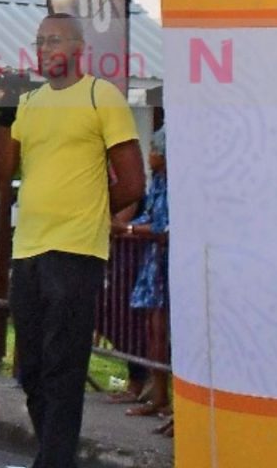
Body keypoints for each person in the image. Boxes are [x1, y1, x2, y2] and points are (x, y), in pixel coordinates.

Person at [0, 12, 144, 468]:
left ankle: (52, 462)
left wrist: (91, 212)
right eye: (38, 42)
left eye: (54, 40)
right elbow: (0, 176)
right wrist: (4, 113)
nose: (44, 49)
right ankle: (54, 457)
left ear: (78, 48)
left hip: (76, 251)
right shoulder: (30, 103)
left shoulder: (100, 96)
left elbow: (132, 183)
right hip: (29, 251)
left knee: (63, 367)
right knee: (32, 369)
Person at [123, 111, 169, 433]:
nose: (149, 154)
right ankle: (158, 394)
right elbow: (149, 219)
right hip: (152, 263)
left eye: (153, 149)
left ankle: (165, 395)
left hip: (166, 263)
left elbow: (164, 228)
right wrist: (126, 227)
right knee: (153, 328)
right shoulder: (158, 184)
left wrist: (127, 228)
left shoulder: (175, 185)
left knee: (163, 330)